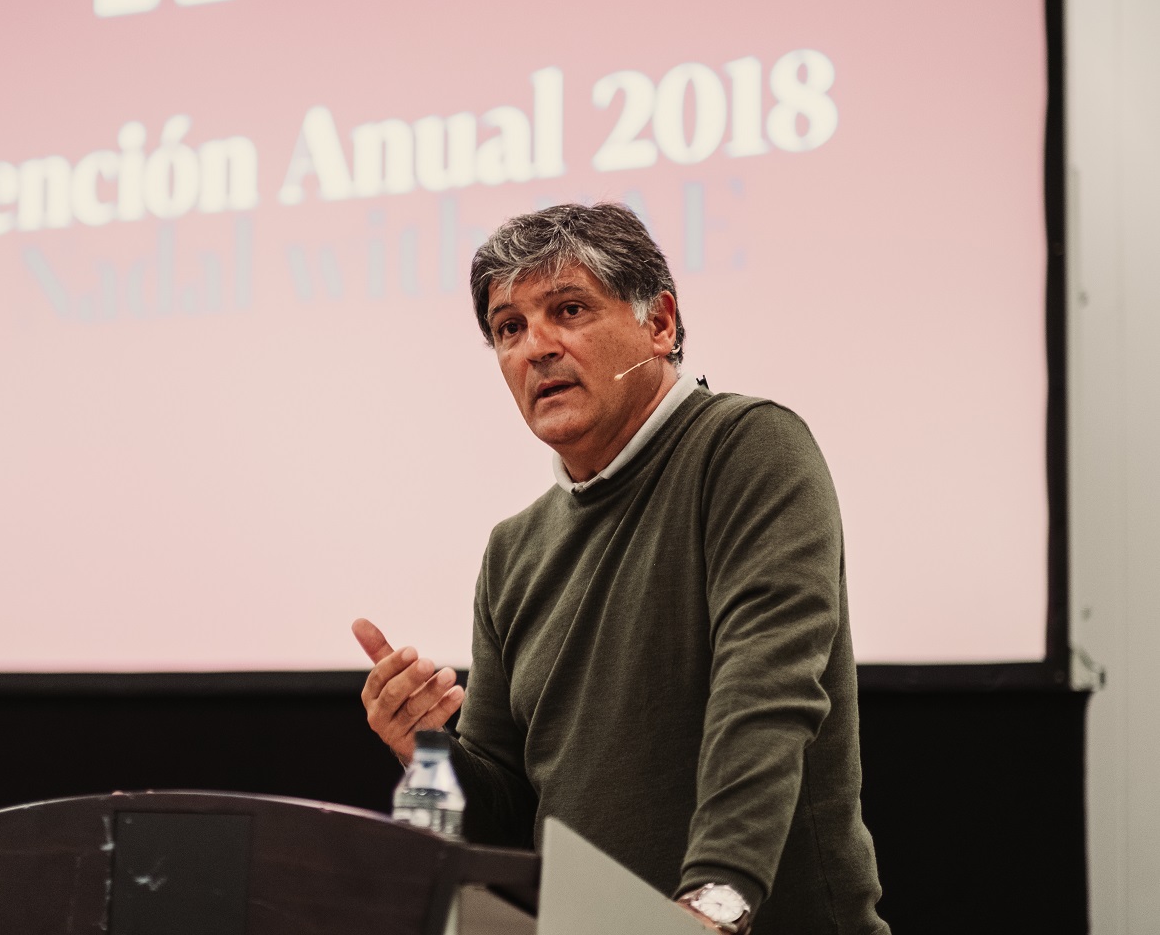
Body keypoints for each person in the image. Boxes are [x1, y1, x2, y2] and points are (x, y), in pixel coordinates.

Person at [352, 203, 888, 934]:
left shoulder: (749, 449)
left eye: (567, 310)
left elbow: (765, 699)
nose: (536, 347)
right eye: (509, 328)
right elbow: (502, 816)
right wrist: (430, 755)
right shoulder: (513, 550)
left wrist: (715, 902)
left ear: (659, 324)